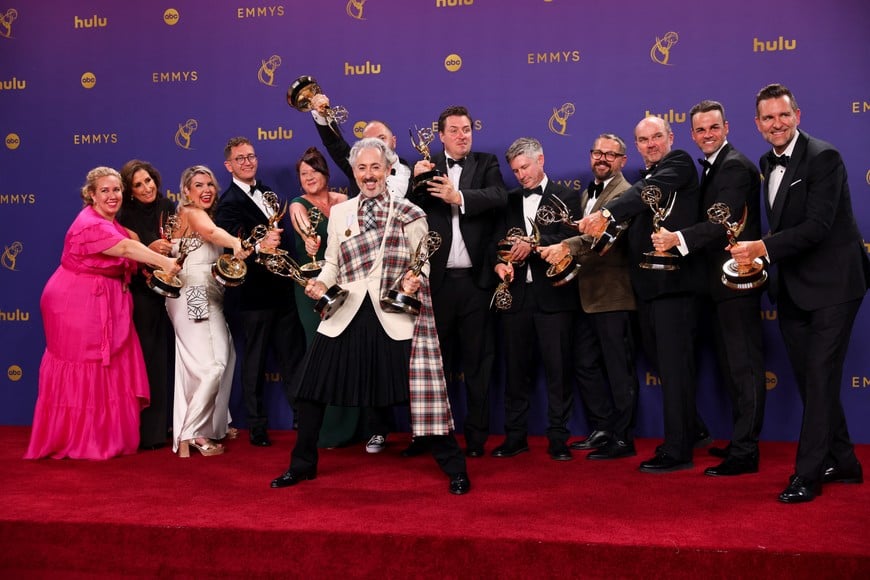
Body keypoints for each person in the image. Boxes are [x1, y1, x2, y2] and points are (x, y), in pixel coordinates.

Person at [270, 137, 470, 494]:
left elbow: (420, 264)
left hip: (392, 313)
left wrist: (413, 280)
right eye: (361, 168)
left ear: (388, 169)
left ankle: (454, 467)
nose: (368, 174)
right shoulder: (342, 213)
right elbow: (332, 263)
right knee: (311, 390)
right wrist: (318, 282)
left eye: (375, 167)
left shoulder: (410, 213)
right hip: (345, 311)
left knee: (423, 392)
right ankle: (302, 465)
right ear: (354, 173)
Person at [729, 84, 869, 502]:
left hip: (835, 285)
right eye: (768, 118)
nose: (777, 124)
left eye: (783, 115)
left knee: (821, 378)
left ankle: (807, 474)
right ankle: (844, 461)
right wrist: (756, 256)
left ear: (798, 116)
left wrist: (763, 249)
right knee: (812, 381)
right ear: (757, 124)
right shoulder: (763, 162)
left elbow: (818, 226)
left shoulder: (824, 157)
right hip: (793, 287)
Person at [25, 166, 180, 460]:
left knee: (106, 369)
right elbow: (124, 247)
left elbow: (128, 240)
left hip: (104, 301)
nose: (113, 196)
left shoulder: (108, 220)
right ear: (91, 196)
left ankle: (103, 435)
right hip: (76, 304)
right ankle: (82, 439)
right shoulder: (90, 223)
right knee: (87, 366)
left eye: (116, 190)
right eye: (105, 191)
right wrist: (164, 262)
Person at [578, 115, 702, 473]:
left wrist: (604, 213)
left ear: (671, 137)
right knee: (668, 368)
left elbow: (644, 197)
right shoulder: (645, 177)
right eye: (644, 140)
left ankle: (678, 450)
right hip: (647, 289)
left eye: (657, 137)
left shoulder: (677, 164)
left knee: (675, 371)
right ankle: (695, 430)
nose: (651, 144)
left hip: (673, 287)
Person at [650, 101, 766, 476]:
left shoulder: (734, 167)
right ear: (692, 134)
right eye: (700, 130)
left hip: (737, 282)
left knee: (744, 369)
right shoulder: (714, 167)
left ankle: (746, 452)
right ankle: (740, 441)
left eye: (713, 127)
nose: (707, 135)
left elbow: (722, 223)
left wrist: (677, 238)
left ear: (727, 127)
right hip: (716, 285)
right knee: (734, 368)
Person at [406, 105, 507, 458]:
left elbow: (499, 196)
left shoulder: (486, 163)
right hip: (437, 285)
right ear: (441, 135)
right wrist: (413, 182)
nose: (463, 135)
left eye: (467, 129)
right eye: (455, 130)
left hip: (476, 283)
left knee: (479, 364)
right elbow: (407, 213)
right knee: (435, 367)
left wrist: (458, 197)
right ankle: (435, 439)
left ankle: (477, 441)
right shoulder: (426, 165)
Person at [539, 134, 640, 460]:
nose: (602, 158)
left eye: (611, 154)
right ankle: (602, 428)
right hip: (584, 297)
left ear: (623, 161)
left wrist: (566, 246)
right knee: (585, 365)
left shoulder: (625, 194)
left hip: (613, 297)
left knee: (618, 369)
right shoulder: (585, 193)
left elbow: (600, 238)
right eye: (597, 152)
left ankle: (623, 438)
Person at [489, 138, 579, 461]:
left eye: (525, 167)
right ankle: (515, 437)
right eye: (515, 171)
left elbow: (573, 238)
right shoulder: (508, 200)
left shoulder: (567, 196)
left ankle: (558, 438)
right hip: (516, 298)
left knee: (559, 371)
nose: (521, 175)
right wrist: (498, 264)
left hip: (554, 297)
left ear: (540, 159)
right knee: (515, 372)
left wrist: (534, 244)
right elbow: (492, 243)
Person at [215, 136, 306, 447]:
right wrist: (258, 246)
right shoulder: (227, 204)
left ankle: (301, 418)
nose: (247, 162)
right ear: (229, 165)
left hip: (282, 290)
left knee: (293, 358)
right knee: (254, 362)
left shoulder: (268, 192)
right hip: (253, 295)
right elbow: (231, 247)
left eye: (251, 156)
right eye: (240, 159)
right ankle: (256, 425)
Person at [288, 146, 375, 450]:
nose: (309, 178)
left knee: (350, 354)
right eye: (303, 174)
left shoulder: (345, 203)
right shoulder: (298, 206)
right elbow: (306, 237)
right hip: (312, 288)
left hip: (348, 286)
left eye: (314, 172)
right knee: (321, 353)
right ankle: (325, 431)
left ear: (325, 174)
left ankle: (355, 427)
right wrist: (309, 242)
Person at [166, 165, 253, 457]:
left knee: (215, 360)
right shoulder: (191, 213)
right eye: (199, 185)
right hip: (195, 295)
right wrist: (235, 243)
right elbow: (211, 232)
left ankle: (213, 423)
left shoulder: (198, 214)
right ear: (187, 192)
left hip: (204, 294)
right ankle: (194, 433)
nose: (206, 190)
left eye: (210, 185)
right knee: (213, 364)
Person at [117, 159, 177, 450]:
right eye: (138, 184)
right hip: (142, 294)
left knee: (168, 361)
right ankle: (145, 433)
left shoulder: (168, 206)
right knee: (147, 361)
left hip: (173, 291)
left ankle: (168, 424)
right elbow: (121, 253)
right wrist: (149, 250)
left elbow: (180, 244)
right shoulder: (123, 214)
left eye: (149, 180)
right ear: (129, 190)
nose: (146, 187)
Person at [308, 92, 411, 198]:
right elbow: (334, 144)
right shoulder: (356, 168)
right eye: (369, 141)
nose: (377, 145)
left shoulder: (413, 172)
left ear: (394, 141)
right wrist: (323, 114)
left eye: (381, 138)